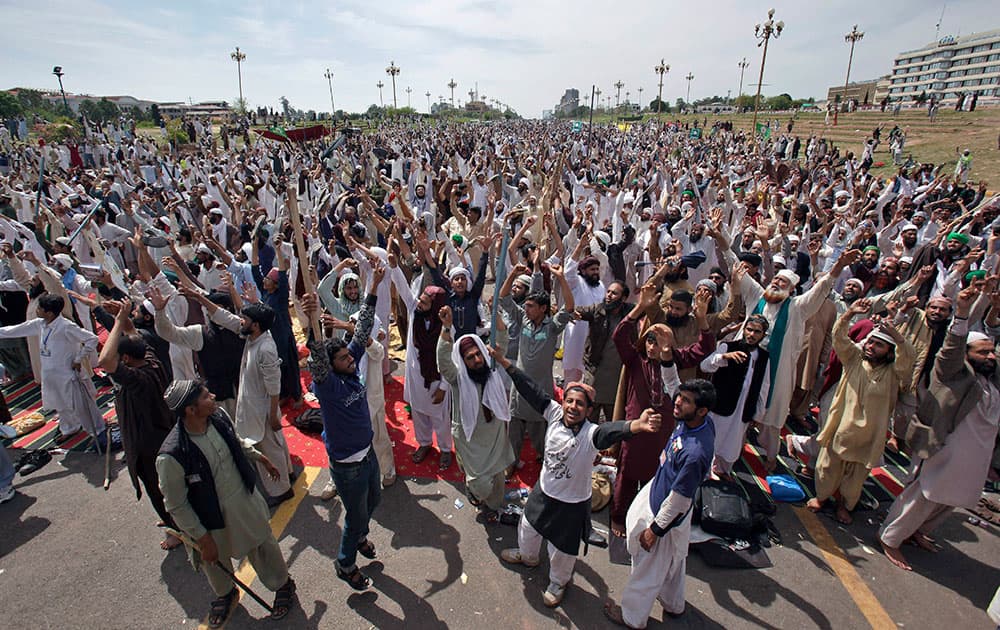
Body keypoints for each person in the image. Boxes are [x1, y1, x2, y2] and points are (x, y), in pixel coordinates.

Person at [494, 345, 662, 609]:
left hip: (571, 505)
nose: (573, 407)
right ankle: (528, 557)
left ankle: (558, 582)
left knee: (561, 551)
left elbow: (611, 431)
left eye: (580, 404)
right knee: (527, 528)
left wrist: (637, 425)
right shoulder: (554, 413)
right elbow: (531, 390)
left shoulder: (591, 434)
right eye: (569, 400)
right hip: (543, 493)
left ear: (589, 409)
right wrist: (505, 363)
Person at [156, 380, 297, 628]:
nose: (212, 396)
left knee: (262, 544)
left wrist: (260, 458)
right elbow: (176, 505)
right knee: (215, 561)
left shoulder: (218, 416)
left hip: (242, 500)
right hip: (209, 517)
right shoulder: (172, 456)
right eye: (205, 396)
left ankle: (282, 584)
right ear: (191, 410)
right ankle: (226, 593)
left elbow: (236, 441)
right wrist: (202, 537)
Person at [879, 287, 1000, 570]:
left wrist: (994, 311)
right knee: (924, 494)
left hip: (976, 455)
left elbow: (994, 332)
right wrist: (960, 313)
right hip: (942, 447)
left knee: (955, 499)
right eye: (983, 353)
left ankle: (918, 532)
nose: (991, 357)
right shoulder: (953, 372)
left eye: (992, 352)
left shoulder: (991, 379)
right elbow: (952, 347)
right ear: (967, 354)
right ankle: (890, 538)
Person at [732, 249, 861, 471]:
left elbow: (822, 287)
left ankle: (771, 457)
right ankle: (735, 449)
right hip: (750, 369)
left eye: (782, 282)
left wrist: (839, 264)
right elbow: (736, 266)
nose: (776, 283)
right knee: (741, 410)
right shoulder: (758, 297)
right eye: (775, 279)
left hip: (776, 375)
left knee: (771, 420)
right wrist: (721, 238)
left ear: (791, 289)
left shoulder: (798, 308)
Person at [605, 378, 716, 628]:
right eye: (680, 396)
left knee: (647, 571)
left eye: (685, 400)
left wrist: (655, 531)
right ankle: (674, 604)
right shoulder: (695, 421)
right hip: (659, 494)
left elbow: (678, 501)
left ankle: (632, 617)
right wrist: (666, 353)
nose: (677, 401)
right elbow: (672, 380)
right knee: (674, 564)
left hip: (665, 517)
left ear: (702, 411)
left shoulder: (695, 453)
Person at [303, 263, 385, 591]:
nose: (352, 362)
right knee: (354, 518)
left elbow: (361, 329)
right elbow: (319, 360)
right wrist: (312, 323)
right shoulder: (329, 386)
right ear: (331, 368)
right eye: (345, 361)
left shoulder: (349, 366)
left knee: (374, 501)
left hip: (368, 456)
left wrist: (375, 284)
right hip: (347, 466)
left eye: (350, 358)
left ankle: (362, 536)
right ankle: (346, 563)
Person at [807, 299, 914, 524]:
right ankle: (822, 497)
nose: (871, 346)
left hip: (869, 436)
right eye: (870, 342)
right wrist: (849, 315)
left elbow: (909, 358)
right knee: (827, 467)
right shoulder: (854, 360)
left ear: (889, 352)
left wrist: (897, 336)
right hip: (841, 428)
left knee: (855, 478)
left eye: (878, 345)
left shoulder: (894, 372)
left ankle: (845, 506)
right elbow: (839, 338)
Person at [96, 298, 179, 550]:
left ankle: (177, 530)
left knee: (159, 489)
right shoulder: (150, 360)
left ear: (127, 360)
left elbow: (105, 362)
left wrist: (120, 320)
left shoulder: (136, 379)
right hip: (164, 435)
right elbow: (133, 334)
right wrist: (121, 320)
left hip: (148, 444)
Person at [438, 306, 516, 524]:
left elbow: (502, 337)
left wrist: (497, 314)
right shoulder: (458, 379)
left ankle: (492, 507)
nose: (476, 360)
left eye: (477, 355)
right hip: (470, 439)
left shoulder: (491, 367)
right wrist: (446, 327)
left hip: (495, 436)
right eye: (470, 358)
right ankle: (476, 492)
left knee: (498, 479)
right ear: (463, 361)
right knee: (481, 484)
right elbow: (443, 358)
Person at [498, 262, 575, 473]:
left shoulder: (552, 326)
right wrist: (512, 272)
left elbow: (568, 307)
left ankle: (544, 459)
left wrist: (560, 278)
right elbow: (503, 298)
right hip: (519, 388)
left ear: (543, 309)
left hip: (541, 389)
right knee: (514, 429)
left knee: (539, 432)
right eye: (527, 305)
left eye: (531, 306)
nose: (527, 309)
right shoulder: (523, 319)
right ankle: (511, 464)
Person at [0, 293, 105, 446]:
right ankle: (69, 428)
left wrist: (78, 359)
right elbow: (14, 330)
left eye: (40, 308)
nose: (37, 310)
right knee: (60, 404)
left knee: (82, 405)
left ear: (49, 312)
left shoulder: (66, 326)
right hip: (50, 373)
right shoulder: (40, 324)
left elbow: (92, 339)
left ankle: (98, 430)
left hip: (68, 374)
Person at [389, 257, 453, 471]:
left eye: (426, 302)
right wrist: (395, 266)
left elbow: (448, 359)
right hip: (416, 379)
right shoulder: (414, 313)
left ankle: (445, 449)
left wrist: (444, 388)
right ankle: (424, 444)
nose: (420, 304)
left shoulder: (446, 328)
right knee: (418, 414)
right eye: (421, 299)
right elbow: (404, 290)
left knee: (440, 418)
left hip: (436, 381)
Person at [700, 314, 770, 479]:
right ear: (744, 329)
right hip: (721, 404)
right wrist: (723, 357)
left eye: (757, 332)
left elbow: (764, 386)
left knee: (732, 443)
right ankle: (702, 470)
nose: (751, 335)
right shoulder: (728, 347)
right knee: (712, 439)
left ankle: (722, 470)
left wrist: (758, 413)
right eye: (749, 330)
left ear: (763, 335)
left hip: (743, 408)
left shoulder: (764, 357)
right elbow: (705, 365)